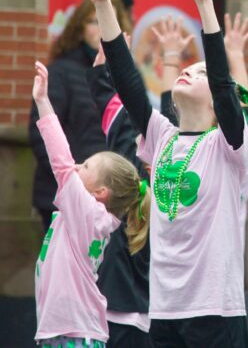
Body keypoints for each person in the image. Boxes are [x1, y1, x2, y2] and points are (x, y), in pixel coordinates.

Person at [78, 0, 248, 347]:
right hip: (164, 307)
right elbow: (125, 80)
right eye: (186, 70)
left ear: (217, 96)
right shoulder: (161, 136)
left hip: (216, 310)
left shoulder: (228, 145)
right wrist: (103, 3)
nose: (189, 74)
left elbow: (228, 91)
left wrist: (204, 2)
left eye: (201, 73)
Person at [32, 61, 150, 348]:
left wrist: (43, 102)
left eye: (85, 166)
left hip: (74, 333)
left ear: (100, 192)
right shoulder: (88, 214)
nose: (76, 167)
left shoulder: (85, 212)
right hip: (70, 330)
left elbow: (60, 160)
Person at [154, 12, 248, 250]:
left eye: (203, 75)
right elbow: (170, 111)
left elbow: (242, 109)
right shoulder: (173, 142)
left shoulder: (236, 150)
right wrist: (170, 58)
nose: (190, 74)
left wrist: (235, 55)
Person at [29, 0, 132, 232]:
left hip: (109, 198)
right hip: (64, 192)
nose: (101, 28)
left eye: (108, 21)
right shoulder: (62, 71)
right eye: (94, 21)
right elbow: (41, 133)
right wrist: (75, 182)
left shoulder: (125, 76)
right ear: (80, 28)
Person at [86, 45, 152, 348]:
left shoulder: (132, 189)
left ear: (103, 193)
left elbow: (124, 129)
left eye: (85, 166)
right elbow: (125, 129)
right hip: (143, 317)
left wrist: (103, 76)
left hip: (119, 319)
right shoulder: (140, 185)